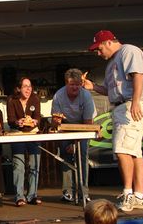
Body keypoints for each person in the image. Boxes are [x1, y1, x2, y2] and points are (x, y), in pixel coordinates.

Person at [84, 30, 143, 212]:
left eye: (98, 49)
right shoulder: (111, 63)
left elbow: (138, 76)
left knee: (122, 150)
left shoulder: (128, 51)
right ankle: (140, 196)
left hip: (130, 104)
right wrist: (93, 86)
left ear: (108, 42)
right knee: (134, 152)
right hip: (123, 104)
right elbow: (110, 91)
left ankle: (128, 193)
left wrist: (135, 102)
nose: (98, 53)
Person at [51, 68, 97, 203]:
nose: (75, 87)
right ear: (66, 83)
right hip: (65, 128)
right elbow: (55, 121)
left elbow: (88, 123)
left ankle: (84, 192)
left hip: (84, 127)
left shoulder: (86, 96)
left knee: (82, 155)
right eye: (72, 84)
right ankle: (67, 192)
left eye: (77, 84)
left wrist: (75, 142)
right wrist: (56, 121)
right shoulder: (58, 96)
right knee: (65, 157)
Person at [7, 77, 41, 206]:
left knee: (34, 164)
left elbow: (38, 116)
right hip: (17, 134)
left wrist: (35, 121)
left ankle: (32, 195)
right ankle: (19, 196)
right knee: (18, 165)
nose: (28, 89)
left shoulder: (35, 99)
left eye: (30, 86)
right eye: (25, 86)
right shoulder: (11, 100)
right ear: (18, 88)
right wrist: (18, 122)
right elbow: (10, 120)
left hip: (33, 133)